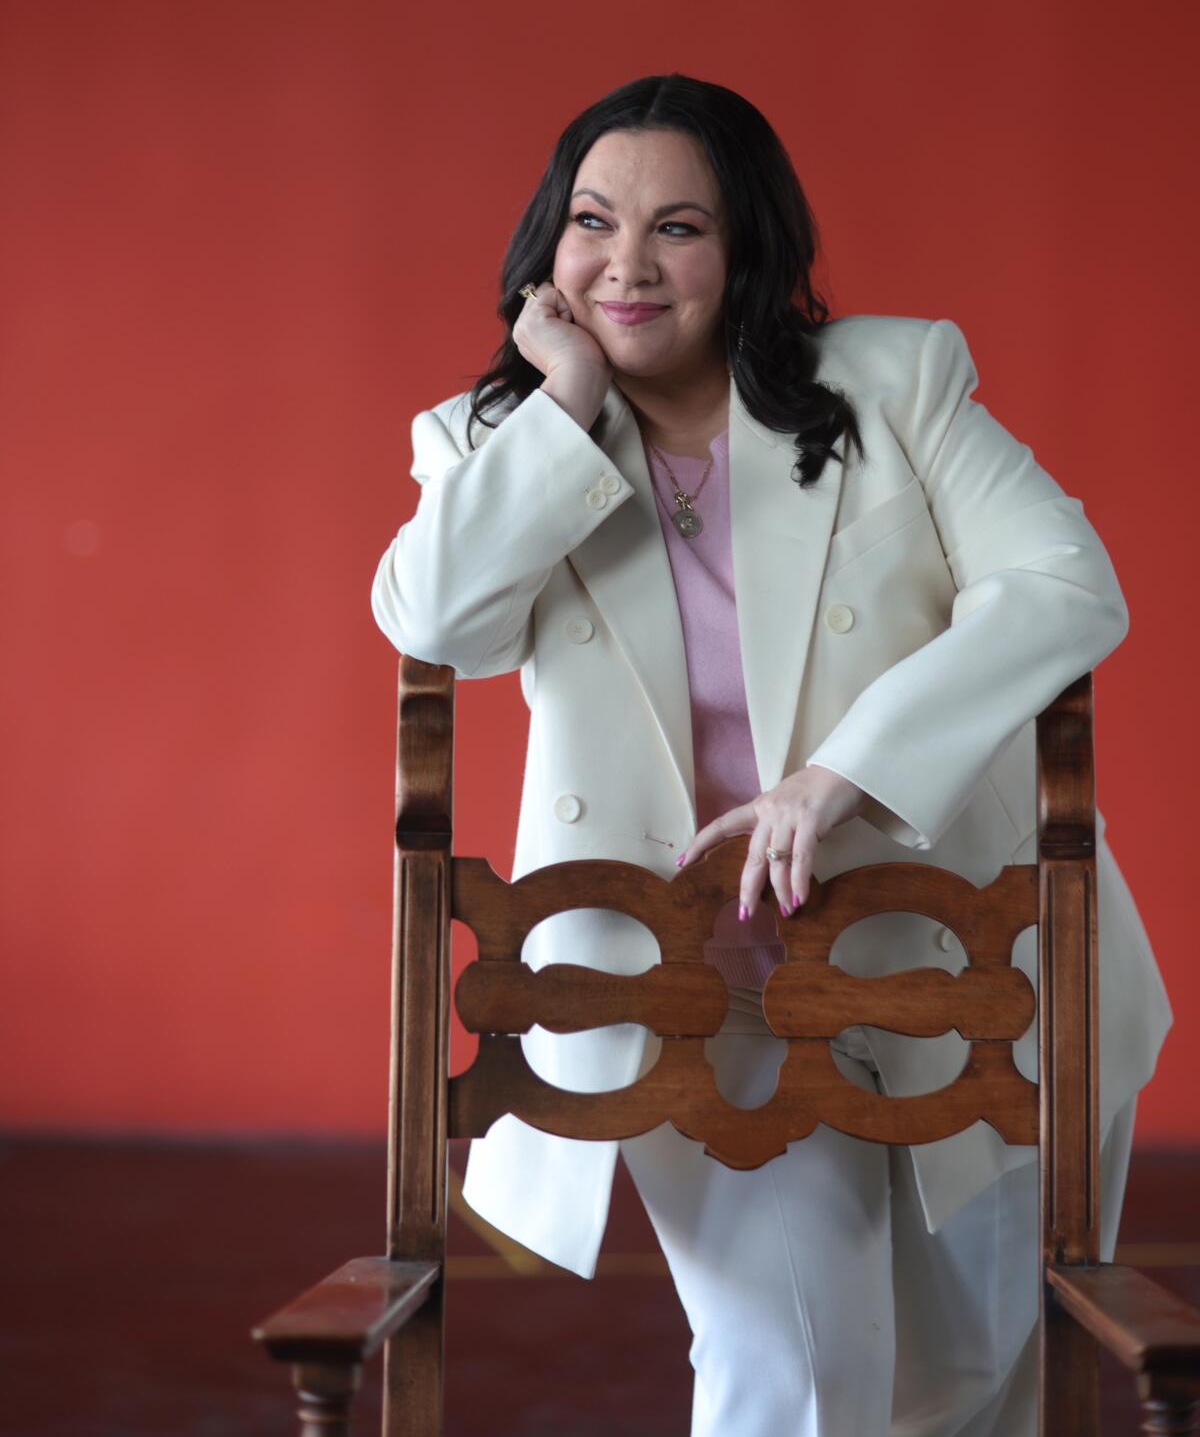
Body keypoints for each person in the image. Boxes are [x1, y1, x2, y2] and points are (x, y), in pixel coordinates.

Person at [370, 72, 1172, 1435]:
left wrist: (842, 769)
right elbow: (437, 617)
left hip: (967, 969)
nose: (627, 262)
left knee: (977, 1394)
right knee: (792, 1375)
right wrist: (564, 404)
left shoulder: (892, 384)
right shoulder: (494, 446)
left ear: (746, 251)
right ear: (546, 252)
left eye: (679, 226)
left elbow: (1068, 585)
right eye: (593, 222)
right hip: (700, 990)